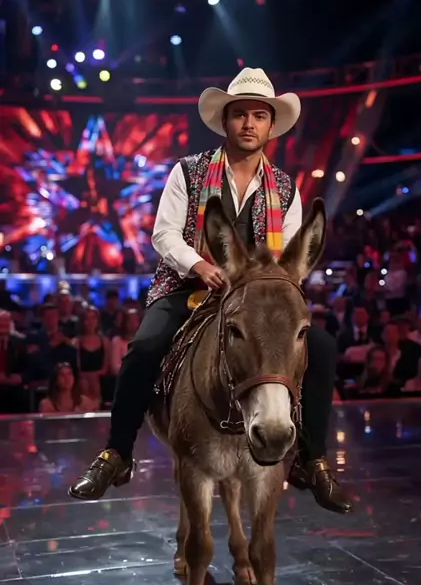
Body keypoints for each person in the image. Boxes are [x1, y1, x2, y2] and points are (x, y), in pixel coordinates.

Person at [69, 67, 352, 513]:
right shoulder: (188, 171)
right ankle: (117, 452)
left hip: (254, 298)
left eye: (259, 116)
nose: (249, 124)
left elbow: (288, 258)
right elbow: (164, 234)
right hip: (186, 285)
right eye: (240, 114)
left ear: (271, 126)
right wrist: (200, 265)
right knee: (145, 347)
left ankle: (311, 459)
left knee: (321, 346)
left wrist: (265, 289)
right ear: (225, 121)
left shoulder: (285, 187)